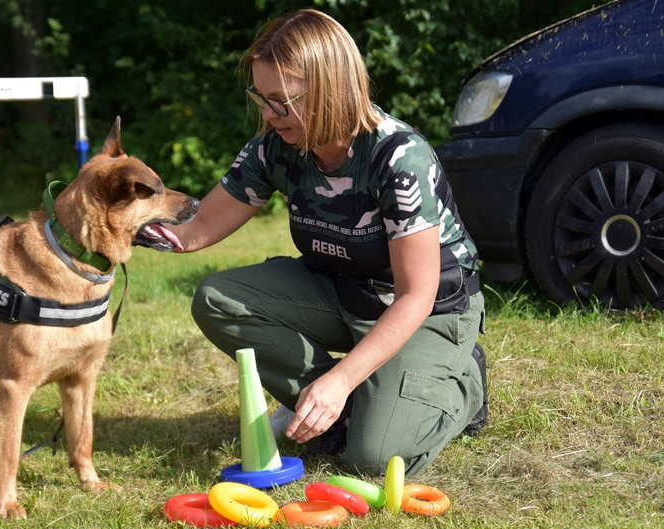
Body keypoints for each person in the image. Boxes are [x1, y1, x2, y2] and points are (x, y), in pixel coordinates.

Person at [162, 8, 487, 478]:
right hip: (342, 291)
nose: (269, 115)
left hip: (427, 311)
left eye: (283, 101)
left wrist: (340, 379)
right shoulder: (275, 145)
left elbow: (418, 293)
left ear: (331, 88)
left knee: (373, 458)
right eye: (262, 98)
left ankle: (462, 386)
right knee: (218, 299)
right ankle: (339, 413)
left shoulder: (397, 157)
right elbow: (196, 228)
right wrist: (102, 230)